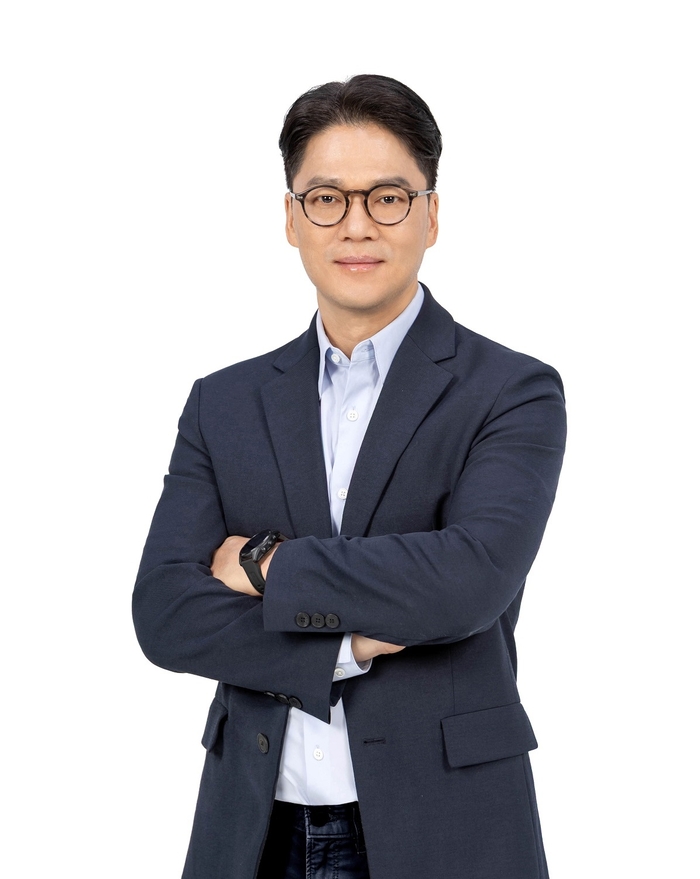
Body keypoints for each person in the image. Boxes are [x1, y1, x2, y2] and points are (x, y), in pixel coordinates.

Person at [133, 74, 566, 879]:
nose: (357, 224)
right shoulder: (223, 403)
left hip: (449, 828)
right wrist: (349, 642)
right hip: (251, 833)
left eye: (388, 198)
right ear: (291, 218)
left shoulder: (511, 390)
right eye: (327, 199)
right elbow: (164, 611)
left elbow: (468, 580)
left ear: (431, 215)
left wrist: (265, 564)